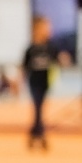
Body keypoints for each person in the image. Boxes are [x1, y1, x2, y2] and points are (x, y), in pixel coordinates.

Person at [23, 17, 56, 151]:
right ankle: (40, 134)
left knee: (40, 108)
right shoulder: (31, 48)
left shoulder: (49, 47)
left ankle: (34, 133)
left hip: (45, 81)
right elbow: (25, 65)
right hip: (34, 81)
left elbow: (55, 60)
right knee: (38, 108)